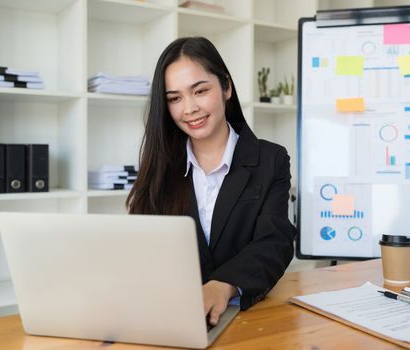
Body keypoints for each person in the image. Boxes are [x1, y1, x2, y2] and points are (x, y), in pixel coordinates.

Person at [126, 37, 296, 325]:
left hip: (244, 316)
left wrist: (224, 284)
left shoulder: (271, 159)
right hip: (172, 316)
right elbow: (143, 247)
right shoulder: (160, 165)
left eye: (200, 91)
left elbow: (275, 242)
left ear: (226, 87)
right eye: (174, 98)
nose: (189, 108)